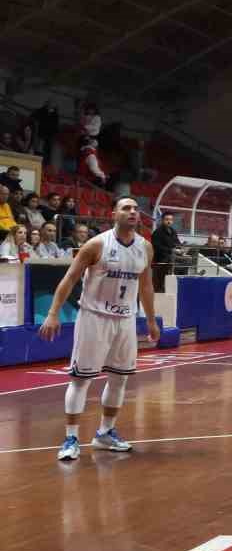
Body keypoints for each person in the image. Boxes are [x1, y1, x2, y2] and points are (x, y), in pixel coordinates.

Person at [41, 197, 158, 461]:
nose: (132, 212)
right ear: (114, 213)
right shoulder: (96, 244)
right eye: (126, 208)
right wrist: (52, 313)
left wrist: (151, 320)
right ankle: (71, 437)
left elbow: (147, 286)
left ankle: (105, 433)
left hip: (126, 319)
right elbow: (70, 278)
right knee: (81, 379)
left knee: (119, 378)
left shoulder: (145, 247)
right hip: (94, 316)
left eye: (135, 209)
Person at [152, 212, 180, 291]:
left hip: (172, 258)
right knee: (160, 284)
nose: (169, 221)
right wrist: (171, 250)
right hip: (161, 261)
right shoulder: (157, 232)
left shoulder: (173, 231)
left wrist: (180, 248)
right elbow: (157, 247)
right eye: (167, 219)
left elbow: (177, 242)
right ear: (162, 220)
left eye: (171, 220)